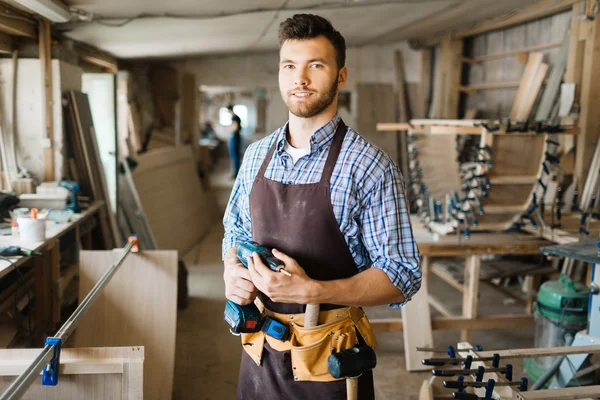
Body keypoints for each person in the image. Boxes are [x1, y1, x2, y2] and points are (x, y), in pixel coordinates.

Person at [222, 14, 421, 400]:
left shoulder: (370, 166)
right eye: (290, 66)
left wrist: (314, 290)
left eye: (316, 65)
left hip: (331, 362)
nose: (301, 79)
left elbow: (402, 275)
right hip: (259, 352)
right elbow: (236, 231)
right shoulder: (256, 156)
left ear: (340, 77)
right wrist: (232, 270)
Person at [227, 104, 242, 178]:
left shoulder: (235, 118)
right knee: (235, 156)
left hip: (235, 138)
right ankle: (236, 173)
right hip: (236, 137)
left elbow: (235, 128)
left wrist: (229, 128)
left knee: (235, 156)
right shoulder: (235, 117)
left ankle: (236, 173)